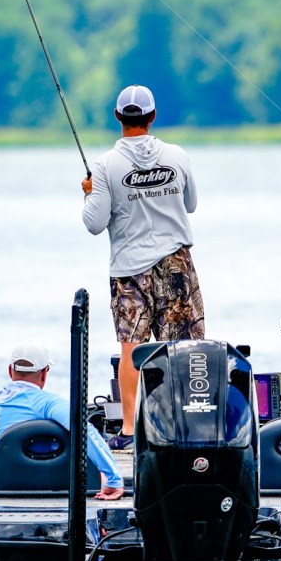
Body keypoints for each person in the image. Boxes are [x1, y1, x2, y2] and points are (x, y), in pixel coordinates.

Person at [81, 84, 205, 450]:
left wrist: (89, 194)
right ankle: (183, 427)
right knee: (183, 348)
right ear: (153, 117)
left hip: (129, 269)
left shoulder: (105, 165)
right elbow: (191, 204)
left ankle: (129, 431)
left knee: (131, 348)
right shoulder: (177, 155)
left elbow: (94, 223)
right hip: (176, 263)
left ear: (118, 117)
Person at [0, 341, 125, 500]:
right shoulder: (47, 403)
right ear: (44, 373)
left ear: (10, 371)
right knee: (99, 473)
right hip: (39, 489)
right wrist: (113, 479)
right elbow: (84, 431)